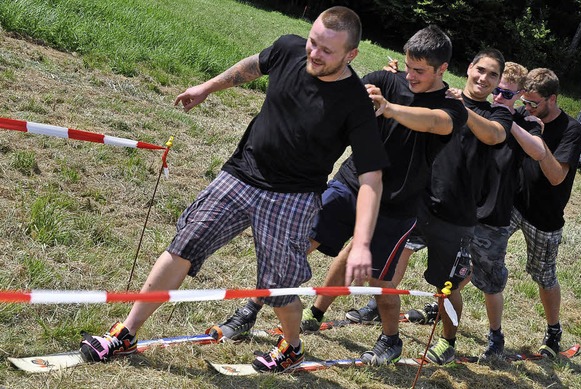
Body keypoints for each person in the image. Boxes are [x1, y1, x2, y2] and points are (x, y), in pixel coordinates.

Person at [78, 6, 389, 373]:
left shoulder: (355, 103)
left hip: (291, 198)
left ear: (351, 55)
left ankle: (291, 346)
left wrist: (363, 244)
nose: (314, 54)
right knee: (184, 245)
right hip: (241, 174)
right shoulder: (289, 49)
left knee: (279, 288)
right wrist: (208, 86)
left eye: (326, 51)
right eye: (313, 42)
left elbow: (371, 178)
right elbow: (254, 65)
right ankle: (126, 333)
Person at [211, 25, 467, 366]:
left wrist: (388, 108)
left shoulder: (451, 107)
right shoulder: (387, 80)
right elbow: (344, 90)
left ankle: (390, 339)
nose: (410, 75)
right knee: (293, 248)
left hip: (395, 207)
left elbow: (435, 123)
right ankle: (250, 309)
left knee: (381, 283)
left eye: (419, 71)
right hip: (349, 185)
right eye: (408, 66)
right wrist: (361, 93)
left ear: (441, 70)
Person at [349, 49, 513, 365]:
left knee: (447, 285)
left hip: (457, 214)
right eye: (481, 70)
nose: (484, 78)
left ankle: (447, 342)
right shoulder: (441, 96)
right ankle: (386, 334)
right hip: (417, 202)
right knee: (390, 269)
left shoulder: (498, 114)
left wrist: (460, 106)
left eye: (493, 75)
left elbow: (493, 136)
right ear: (469, 68)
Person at [467, 62, 548, 358]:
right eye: (496, 90)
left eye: (507, 94)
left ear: (519, 96)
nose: (499, 96)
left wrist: (509, 119)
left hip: (494, 215)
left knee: (490, 282)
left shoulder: (523, 122)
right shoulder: (481, 111)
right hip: (463, 209)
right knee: (452, 270)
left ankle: (495, 336)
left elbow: (538, 152)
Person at [508, 68, 581, 358]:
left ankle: (553, 330)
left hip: (545, 216)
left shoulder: (571, 130)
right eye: (524, 102)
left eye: (534, 103)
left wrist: (538, 142)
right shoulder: (523, 114)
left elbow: (556, 177)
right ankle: (444, 303)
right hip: (513, 203)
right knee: (482, 251)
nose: (527, 108)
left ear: (552, 99)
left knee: (544, 275)